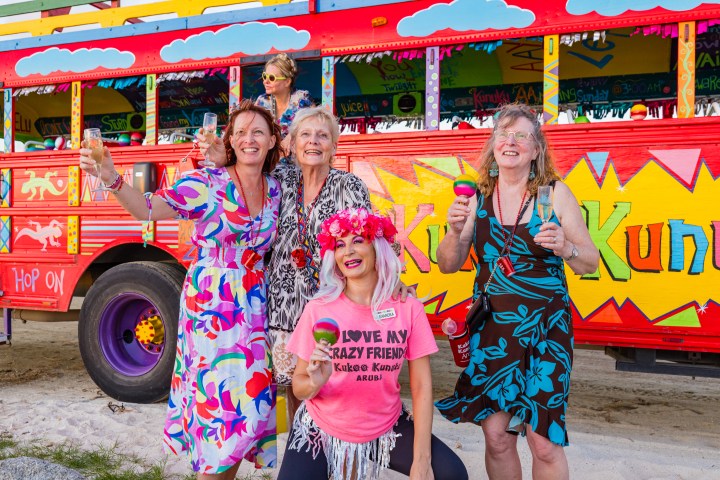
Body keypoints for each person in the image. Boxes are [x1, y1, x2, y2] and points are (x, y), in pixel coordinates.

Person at [79, 99, 283, 479]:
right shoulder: (208, 184)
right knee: (222, 410)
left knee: (251, 406)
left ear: (273, 140)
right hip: (213, 305)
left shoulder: (276, 189)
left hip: (254, 304)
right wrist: (110, 175)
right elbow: (146, 209)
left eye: (258, 132)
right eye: (240, 132)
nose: (249, 139)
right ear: (230, 141)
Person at [434, 103, 599, 479]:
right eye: (503, 135)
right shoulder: (474, 198)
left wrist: (566, 247)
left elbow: (590, 261)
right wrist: (452, 229)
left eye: (522, 135)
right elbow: (448, 262)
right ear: (493, 146)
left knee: (543, 440)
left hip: (546, 332)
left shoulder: (554, 193)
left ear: (536, 149)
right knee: (496, 437)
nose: (511, 142)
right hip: (493, 332)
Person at [277, 207, 468, 480]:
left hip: (385, 427)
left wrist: (422, 461)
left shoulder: (407, 308)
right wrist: (317, 381)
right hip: (321, 427)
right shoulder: (319, 309)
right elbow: (299, 386)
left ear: (377, 247)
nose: (348, 251)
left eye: (357, 241)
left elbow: (422, 386)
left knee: (451, 474)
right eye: (340, 245)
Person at [255, 53, 314, 142]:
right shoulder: (261, 102)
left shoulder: (302, 99)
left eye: (271, 78)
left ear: (287, 82)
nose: (265, 81)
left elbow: (316, 125)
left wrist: (292, 136)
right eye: (264, 76)